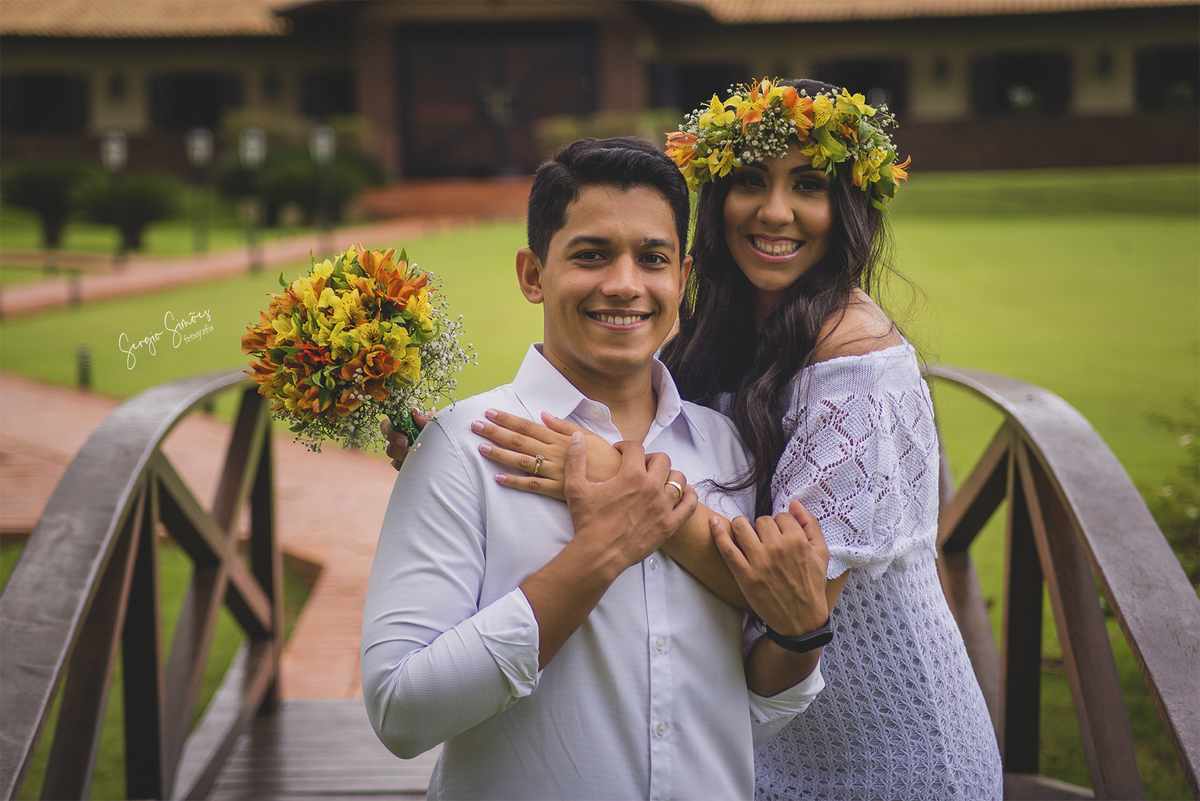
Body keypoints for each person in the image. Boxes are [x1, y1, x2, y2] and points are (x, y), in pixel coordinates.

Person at [390, 79, 1004, 799]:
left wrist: (604, 475)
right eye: (750, 180)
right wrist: (478, 449)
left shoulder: (855, 369)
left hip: (884, 753)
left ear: (847, 206)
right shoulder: (726, 327)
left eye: (808, 184)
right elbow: (615, 401)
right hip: (753, 747)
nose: (775, 210)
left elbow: (787, 597)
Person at [361, 136, 835, 801]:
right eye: (591, 255)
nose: (624, 283)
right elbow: (401, 711)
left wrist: (802, 638)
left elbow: (741, 709)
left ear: (681, 277)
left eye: (652, 258)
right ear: (533, 274)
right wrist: (602, 551)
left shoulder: (726, 447)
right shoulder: (463, 446)